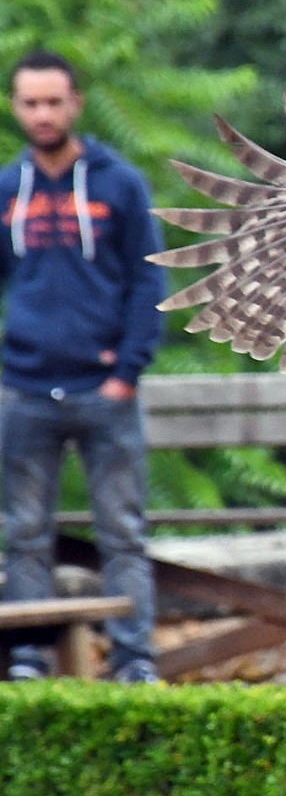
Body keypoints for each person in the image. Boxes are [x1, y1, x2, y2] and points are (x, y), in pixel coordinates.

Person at [1, 49, 166, 683]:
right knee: (24, 534)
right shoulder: (7, 189)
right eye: (30, 103)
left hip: (105, 390)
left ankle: (133, 660)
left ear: (76, 104)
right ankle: (27, 657)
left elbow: (149, 283)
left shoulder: (120, 184)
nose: (42, 114)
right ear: (16, 107)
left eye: (53, 101)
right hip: (26, 390)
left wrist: (127, 372)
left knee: (122, 532)